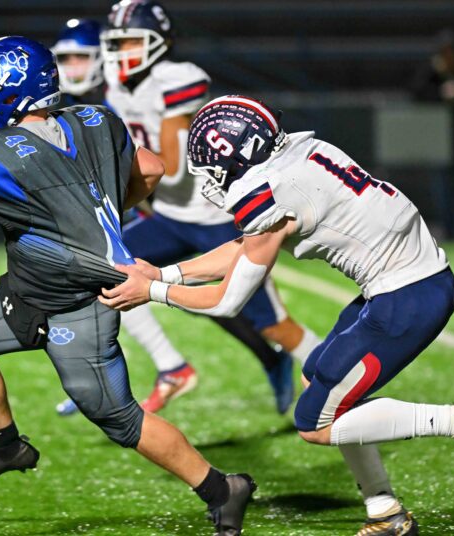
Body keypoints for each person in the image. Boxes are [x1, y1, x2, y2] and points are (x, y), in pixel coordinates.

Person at [0, 37, 255, 536]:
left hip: (80, 302)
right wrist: (105, 210)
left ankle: (222, 489)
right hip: (29, 290)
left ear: (12, 91)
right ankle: (6, 445)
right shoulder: (96, 120)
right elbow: (154, 168)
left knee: (119, 419)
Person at [100, 94, 454, 535]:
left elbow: (226, 301)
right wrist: (165, 272)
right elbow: (246, 248)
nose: (212, 177)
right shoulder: (299, 152)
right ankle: (385, 512)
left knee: (314, 423)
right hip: (402, 285)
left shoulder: (269, 192)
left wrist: (152, 291)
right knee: (317, 382)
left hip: (408, 295)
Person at [95, 0, 321, 415]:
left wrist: (121, 180)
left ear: (157, 43)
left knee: (273, 324)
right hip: (170, 216)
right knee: (108, 273)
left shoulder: (178, 78)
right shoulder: (115, 85)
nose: (121, 52)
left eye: (131, 41)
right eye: (117, 42)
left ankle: (336, 377)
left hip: (217, 218)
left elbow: (170, 166)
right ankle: (171, 367)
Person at [412, 29, 454, 239]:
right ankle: (449, 229)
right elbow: (416, 94)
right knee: (443, 188)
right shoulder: (430, 73)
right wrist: (442, 92)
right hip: (438, 140)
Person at [51, 19, 105, 107]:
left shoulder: (116, 99)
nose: (73, 64)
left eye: (81, 56)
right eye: (64, 58)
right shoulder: (52, 105)